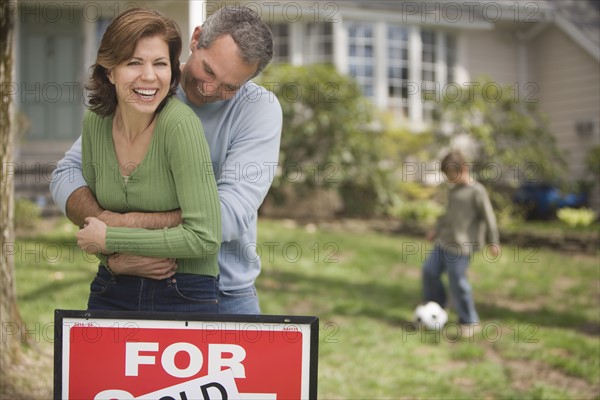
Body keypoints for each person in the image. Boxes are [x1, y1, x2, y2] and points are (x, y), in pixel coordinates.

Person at [50, 6, 282, 314]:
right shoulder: (149, 89)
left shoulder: (259, 109)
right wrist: (114, 249)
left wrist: (117, 231)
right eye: (209, 71)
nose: (211, 89)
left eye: (230, 87)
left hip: (225, 289)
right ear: (196, 39)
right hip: (128, 278)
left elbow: (228, 214)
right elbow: (67, 174)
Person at [71, 8, 222, 312]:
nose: (150, 76)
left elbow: (205, 237)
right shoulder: (95, 123)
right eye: (134, 63)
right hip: (112, 284)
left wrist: (113, 240)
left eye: (160, 64)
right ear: (110, 71)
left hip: (183, 288)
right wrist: (117, 262)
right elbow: (93, 227)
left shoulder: (180, 126)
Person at [421, 150, 501, 328]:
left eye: (452, 175)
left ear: (464, 169)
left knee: (457, 281)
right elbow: (448, 215)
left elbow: (489, 217)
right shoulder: (453, 192)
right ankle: (436, 308)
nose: (450, 180)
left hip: (461, 247)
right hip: (443, 242)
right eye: (447, 176)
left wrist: (493, 241)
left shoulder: (477, 191)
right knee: (429, 271)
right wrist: (436, 229)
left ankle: (469, 320)